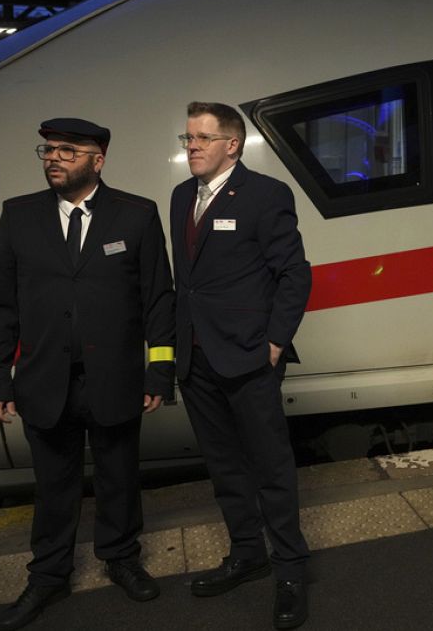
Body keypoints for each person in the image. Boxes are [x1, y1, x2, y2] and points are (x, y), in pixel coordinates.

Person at [0, 118, 176, 631]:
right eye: (48, 149)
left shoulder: (137, 215)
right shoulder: (18, 216)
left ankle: (122, 558)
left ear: (98, 160)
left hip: (115, 378)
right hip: (44, 380)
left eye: (68, 150)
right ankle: (48, 576)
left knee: (119, 476)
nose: (54, 158)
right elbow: (0, 304)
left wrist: (160, 375)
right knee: (53, 486)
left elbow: (159, 301)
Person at [170, 101, 312, 629]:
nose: (193, 148)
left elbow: (295, 274)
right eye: (188, 139)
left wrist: (274, 342)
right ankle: (247, 553)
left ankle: (292, 571)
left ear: (233, 145)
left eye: (203, 138)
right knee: (225, 467)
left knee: (271, 468)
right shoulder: (181, 197)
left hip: (249, 358)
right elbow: (190, 284)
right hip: (197, 359)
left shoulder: (266, 195)